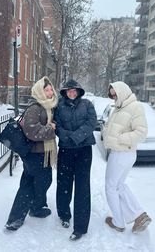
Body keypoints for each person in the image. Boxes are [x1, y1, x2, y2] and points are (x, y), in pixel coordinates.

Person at [5, 76, 58, 231]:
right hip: (34, 154)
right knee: (30, 185)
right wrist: (51, 129)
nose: (50, 93)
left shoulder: (49, 107)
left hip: (45, 152)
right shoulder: (34, 108)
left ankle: (36, 207)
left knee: (41, 180)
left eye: (50, 90)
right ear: (39, 92)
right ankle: (16, 218)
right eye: (46, 90)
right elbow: (32, 132)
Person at [103, 81, 152, 233]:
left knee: (110, 187)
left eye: (115, 94)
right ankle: (139, 216)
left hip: (122, 152)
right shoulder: (119, 107)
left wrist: (119, 139)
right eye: (112, 95)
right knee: (119, 185)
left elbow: (141, 132)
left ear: (122, 91)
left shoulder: (135, 106)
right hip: (122, 153)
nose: (113, 97)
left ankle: (118, 222)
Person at [54, 79, 97, 241]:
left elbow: (91, 122)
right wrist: (68, 138)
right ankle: (64, 214)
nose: (71, 93)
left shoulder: (87, 104)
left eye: (74, 91)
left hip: (84, 150)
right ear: (65, 93)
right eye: (68, 91)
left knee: (82, 187)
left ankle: (80, 227)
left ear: (79, 92)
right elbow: (57, 126)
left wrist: (76, 137)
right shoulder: (60, 106)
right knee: (63, 183)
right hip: (66, 150)